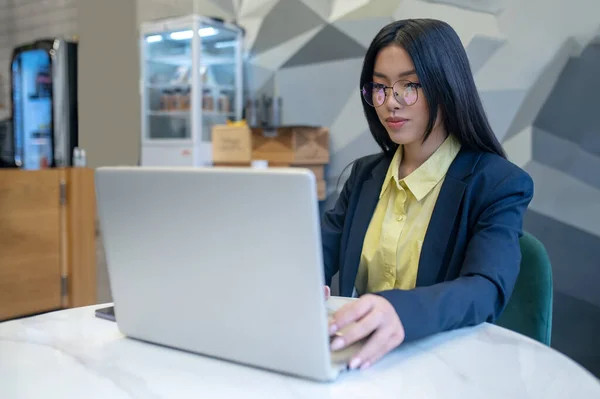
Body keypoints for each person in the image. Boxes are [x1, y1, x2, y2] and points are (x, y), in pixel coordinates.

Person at [321, 18, 534, 371]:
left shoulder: (499, 183)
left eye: (410, 85)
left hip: (448, 367)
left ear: (446, 86)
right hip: (363, 364)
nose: (391, 102)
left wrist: (400, 312)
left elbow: (485, 289)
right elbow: (315, 254)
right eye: (380, 87)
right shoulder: (364, 176)